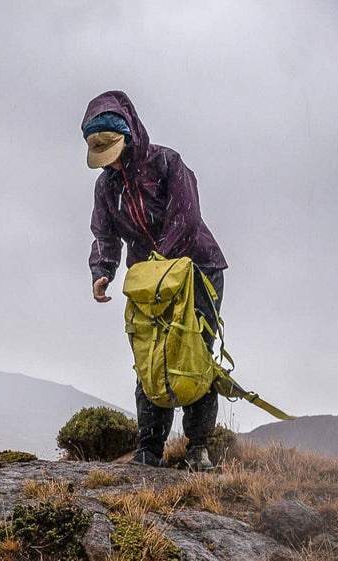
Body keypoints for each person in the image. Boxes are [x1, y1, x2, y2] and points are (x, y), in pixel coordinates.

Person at [82, 90, 227, 471]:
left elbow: (187, 217)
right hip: (149, 283)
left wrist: (162, 263)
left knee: (192, 354)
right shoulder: (106, 187)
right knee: (149, 359)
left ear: (128, 134)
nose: (109, 164)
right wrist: (103, 271)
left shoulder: (167, 163)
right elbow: (105, 233)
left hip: (196, 272)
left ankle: (198, 449)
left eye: (112, 150)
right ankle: (149, 450)